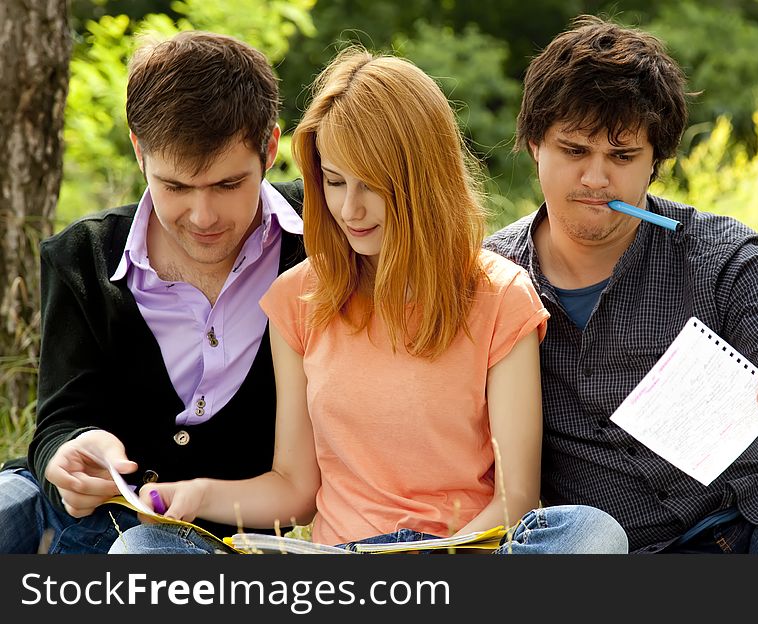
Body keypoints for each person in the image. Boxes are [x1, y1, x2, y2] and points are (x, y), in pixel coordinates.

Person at [107, 46, 628, 555]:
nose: (349, 208)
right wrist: (199, 494)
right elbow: (295, 491)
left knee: (591, 533)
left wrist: (437, 560)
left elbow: (515, 499)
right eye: (334, 182)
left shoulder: (500, 296)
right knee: (141, 550)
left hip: (462, 553)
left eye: (372, 186)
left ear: (422, 181)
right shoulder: (298, 298)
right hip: (341, 564)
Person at [484, 15, 758, 554]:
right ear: (535, 145)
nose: (597, 179)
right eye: (574, 151)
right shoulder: (490, 279)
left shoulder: (721, 253)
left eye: (622, 157)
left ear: (655, 163)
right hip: (621, 546)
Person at [0, 30, 307, 553]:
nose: (203, 216)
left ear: (271, 147)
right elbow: (59, 419)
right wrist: (68, 455)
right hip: (66, 510)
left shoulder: (321, 241)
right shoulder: (82, 256)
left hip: (205, 540)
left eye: (229, 185)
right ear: (139, 151)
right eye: (176, 187)